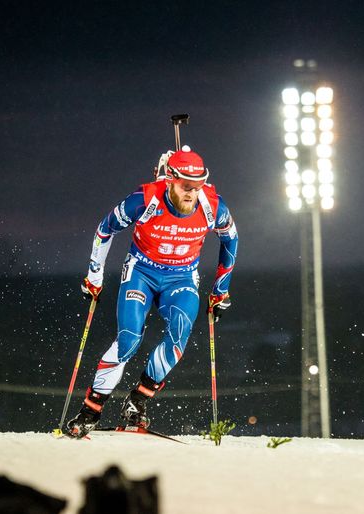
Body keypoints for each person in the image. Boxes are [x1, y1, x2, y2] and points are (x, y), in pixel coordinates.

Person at [64, 146, 238, 438]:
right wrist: (94, 274)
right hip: (141, 273)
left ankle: (137, 401)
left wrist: (221, 289)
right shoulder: (143, 200)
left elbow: (230, 240)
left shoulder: (213, 206)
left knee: (179, 336)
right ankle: (90, 411)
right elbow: (105, 230)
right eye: (185, 186)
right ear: (170, 179)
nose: (191, 194)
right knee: (129, 339)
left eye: (197, 187)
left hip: (181, 277)